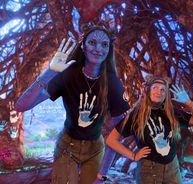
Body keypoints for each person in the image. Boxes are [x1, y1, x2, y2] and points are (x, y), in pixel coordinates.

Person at [15, 24, 130, 184]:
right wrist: (50, 71)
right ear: (82, 45)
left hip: (95, 149)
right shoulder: (68, 74)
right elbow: (21, 106)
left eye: (104, 44)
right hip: (67, 146)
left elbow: (116, 133)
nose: (98, 49)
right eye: (92, 42)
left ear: (109, 49)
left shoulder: (113, 83)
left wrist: (102, 175)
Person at [106, 75, 193, 184]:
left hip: (172, 168)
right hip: (149, 170)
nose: (159, 91)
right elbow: (111, 140)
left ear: (166, 95)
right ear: (148, 91)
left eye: (162, 89)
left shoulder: (172, 112)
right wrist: (133, 155)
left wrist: (189, 104)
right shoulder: (136, 115)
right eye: (155, 88)